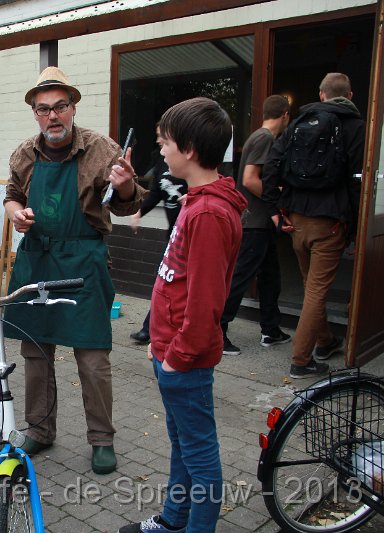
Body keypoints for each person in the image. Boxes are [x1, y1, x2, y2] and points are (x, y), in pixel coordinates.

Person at [3, 66, 145, 475]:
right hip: (37, 260)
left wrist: (124, 186)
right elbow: (12, 196)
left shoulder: (102, 149)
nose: (53, 116)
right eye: (43, 108)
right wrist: (16, 215)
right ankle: (40, 430)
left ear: (73, 107)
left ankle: (101, 439)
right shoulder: (24, 154)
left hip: (84, 261)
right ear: (35, 113)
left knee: (92, 358)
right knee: (35, 353)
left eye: (60, 106)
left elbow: (130, 205)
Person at [119, 97, 246, 533]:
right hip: (170, 351)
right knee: (182, 443)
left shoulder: (209, 212)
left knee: (199, 453)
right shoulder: (197, 200)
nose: (162, 151)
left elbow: (206, 301)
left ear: (189, 148)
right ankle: (174, 519)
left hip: (183, 359)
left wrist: (177, 356)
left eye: (165, 143)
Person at [262, 73, 364, 379]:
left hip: (296, 220)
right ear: (351, 94)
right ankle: (301, 361)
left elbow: (271, 166)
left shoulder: (297, 123)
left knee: (311, 287)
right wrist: (356, 226)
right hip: (329, 222)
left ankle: (325, 341)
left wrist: (274, 210)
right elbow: (357, 181)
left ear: (321, 94)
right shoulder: (355, 126)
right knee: (316, 291)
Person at [221, 95, 292, 356]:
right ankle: (218, 330)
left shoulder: (260, 137)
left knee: (270, 277)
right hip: (254, 222)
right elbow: (251, 180)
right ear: (285, 114)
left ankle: (271, 330)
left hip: (260, 222)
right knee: (239, 278)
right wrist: (277, 199)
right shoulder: (264, 138)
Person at [129, 124, 188, 344]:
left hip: (189, 237)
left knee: (177, 286)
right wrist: (139, 213)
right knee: (165, 284)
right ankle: (151, 329)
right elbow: (156, 193)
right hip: (173, 236)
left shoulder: (187, 162)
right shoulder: (163, 159)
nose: (157, 143)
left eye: (161, 138)